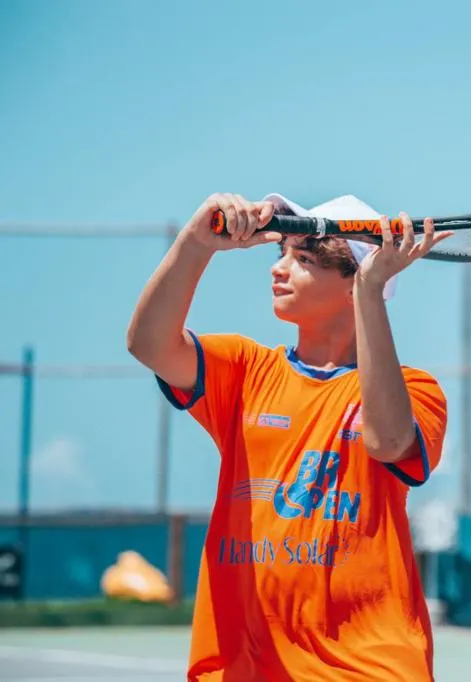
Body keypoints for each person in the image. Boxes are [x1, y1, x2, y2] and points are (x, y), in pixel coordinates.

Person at [126, 192, 450, 681]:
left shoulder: (416, 390)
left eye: (303, 259)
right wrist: (196, 244)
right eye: (282, 255)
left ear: (355, 282)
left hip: (366, 669)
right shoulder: (246, 369)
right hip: (243, 669)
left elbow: (386, 442)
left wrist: (370, 293)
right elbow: (148, 344)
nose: (278, 269)